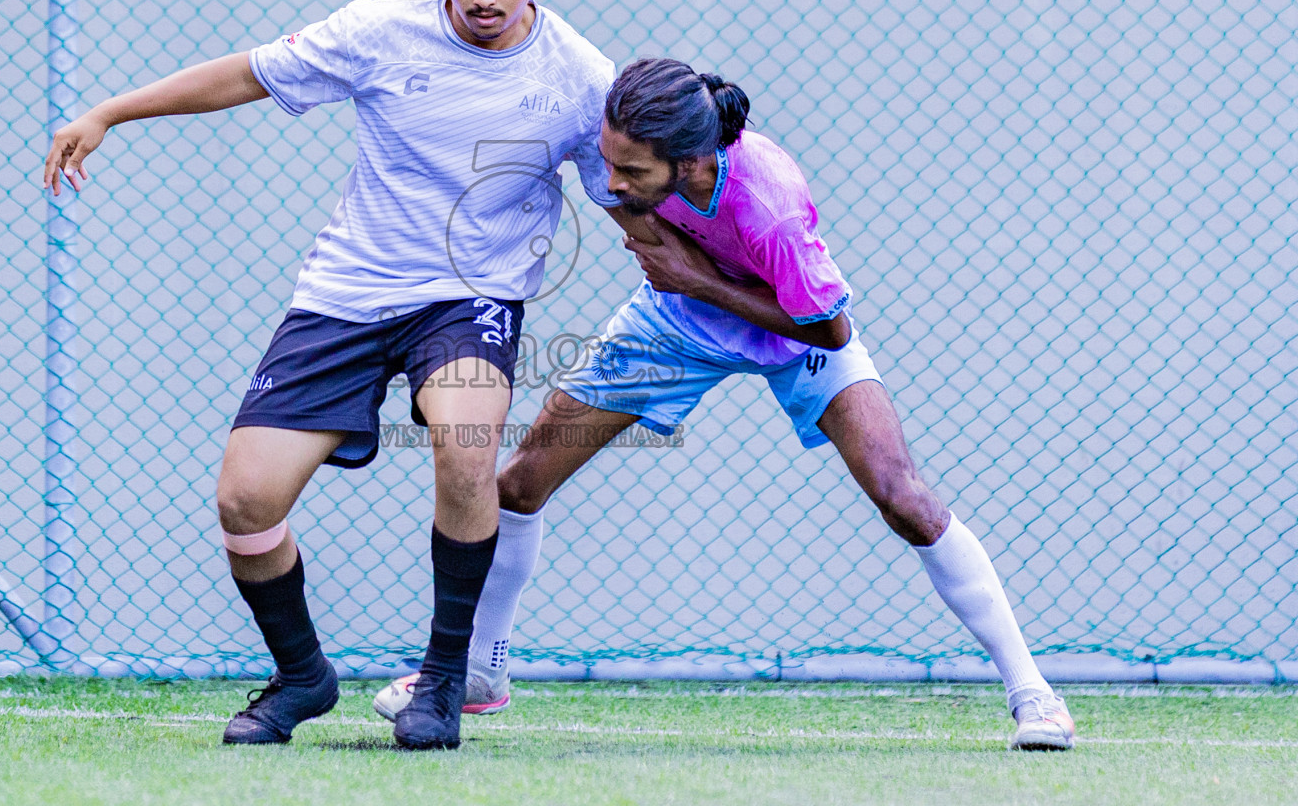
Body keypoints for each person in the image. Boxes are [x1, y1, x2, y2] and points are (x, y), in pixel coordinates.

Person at [41, 0, 628, 750]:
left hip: (471, 296)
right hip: (347, 293)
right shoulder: (379, 31)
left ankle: (442, 680)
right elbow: (246, 74)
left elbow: (633, 199)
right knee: (245, 501)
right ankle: (303, 676)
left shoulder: (580, 76)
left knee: (468, 447)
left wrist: (728, 270)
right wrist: (108, 113)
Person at [373, 58, 1076, 751]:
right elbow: (635, 220)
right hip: (672, 324)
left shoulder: (769, 205)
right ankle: (479, 671)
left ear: (688, 162)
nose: (612, 182)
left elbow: (828, 328)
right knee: (519, 484)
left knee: (904, 499)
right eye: (609, 162)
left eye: (631, 171)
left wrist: (700, 280)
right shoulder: (629, 157)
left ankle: (1035, 696)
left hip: (794, 334)